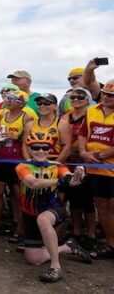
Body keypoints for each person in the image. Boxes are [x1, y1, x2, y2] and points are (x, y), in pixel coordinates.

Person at [17, 133, 91, 283]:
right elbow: (33, 183)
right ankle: (67, 247)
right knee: (33, 259)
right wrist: (58, 182)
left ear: (50, 150)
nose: (40, 151)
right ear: (30, 150)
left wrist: (77, 176)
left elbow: (68, 177)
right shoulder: (22, 166)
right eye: (36, 147)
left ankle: (55, 268)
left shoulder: (57, 166)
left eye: (45, 148)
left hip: (53, 208)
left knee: (43, 219)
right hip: (30, 214)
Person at [56, 87, 97, 248]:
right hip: (69, 160)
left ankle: (91, 234)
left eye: (81, 97)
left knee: (87, 199)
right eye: (73, 97)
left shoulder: (91, 115)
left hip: (86, 160)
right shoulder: (67, 115)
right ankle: (76, 231)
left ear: (88, 100)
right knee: (73, 197)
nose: (76, 99)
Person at [78, 79, 114, 259]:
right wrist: (84, 152)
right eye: (105, 93)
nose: (106, 97)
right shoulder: (92, 110)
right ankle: (110, 244)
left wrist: (101, 155)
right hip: (94, 168)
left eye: (111, 95)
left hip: (110, 167)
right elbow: (83, 133)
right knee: (101, 205)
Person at [0, 90, 33, 242]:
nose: (8, 101)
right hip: (2, 158)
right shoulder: (2, 115)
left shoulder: (26, 117)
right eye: (8, 98)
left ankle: (19, 228)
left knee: (17, 193)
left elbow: (30, 140)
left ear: (21, 103)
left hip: (18, 160)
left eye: (12, 99)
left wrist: (16, 137)